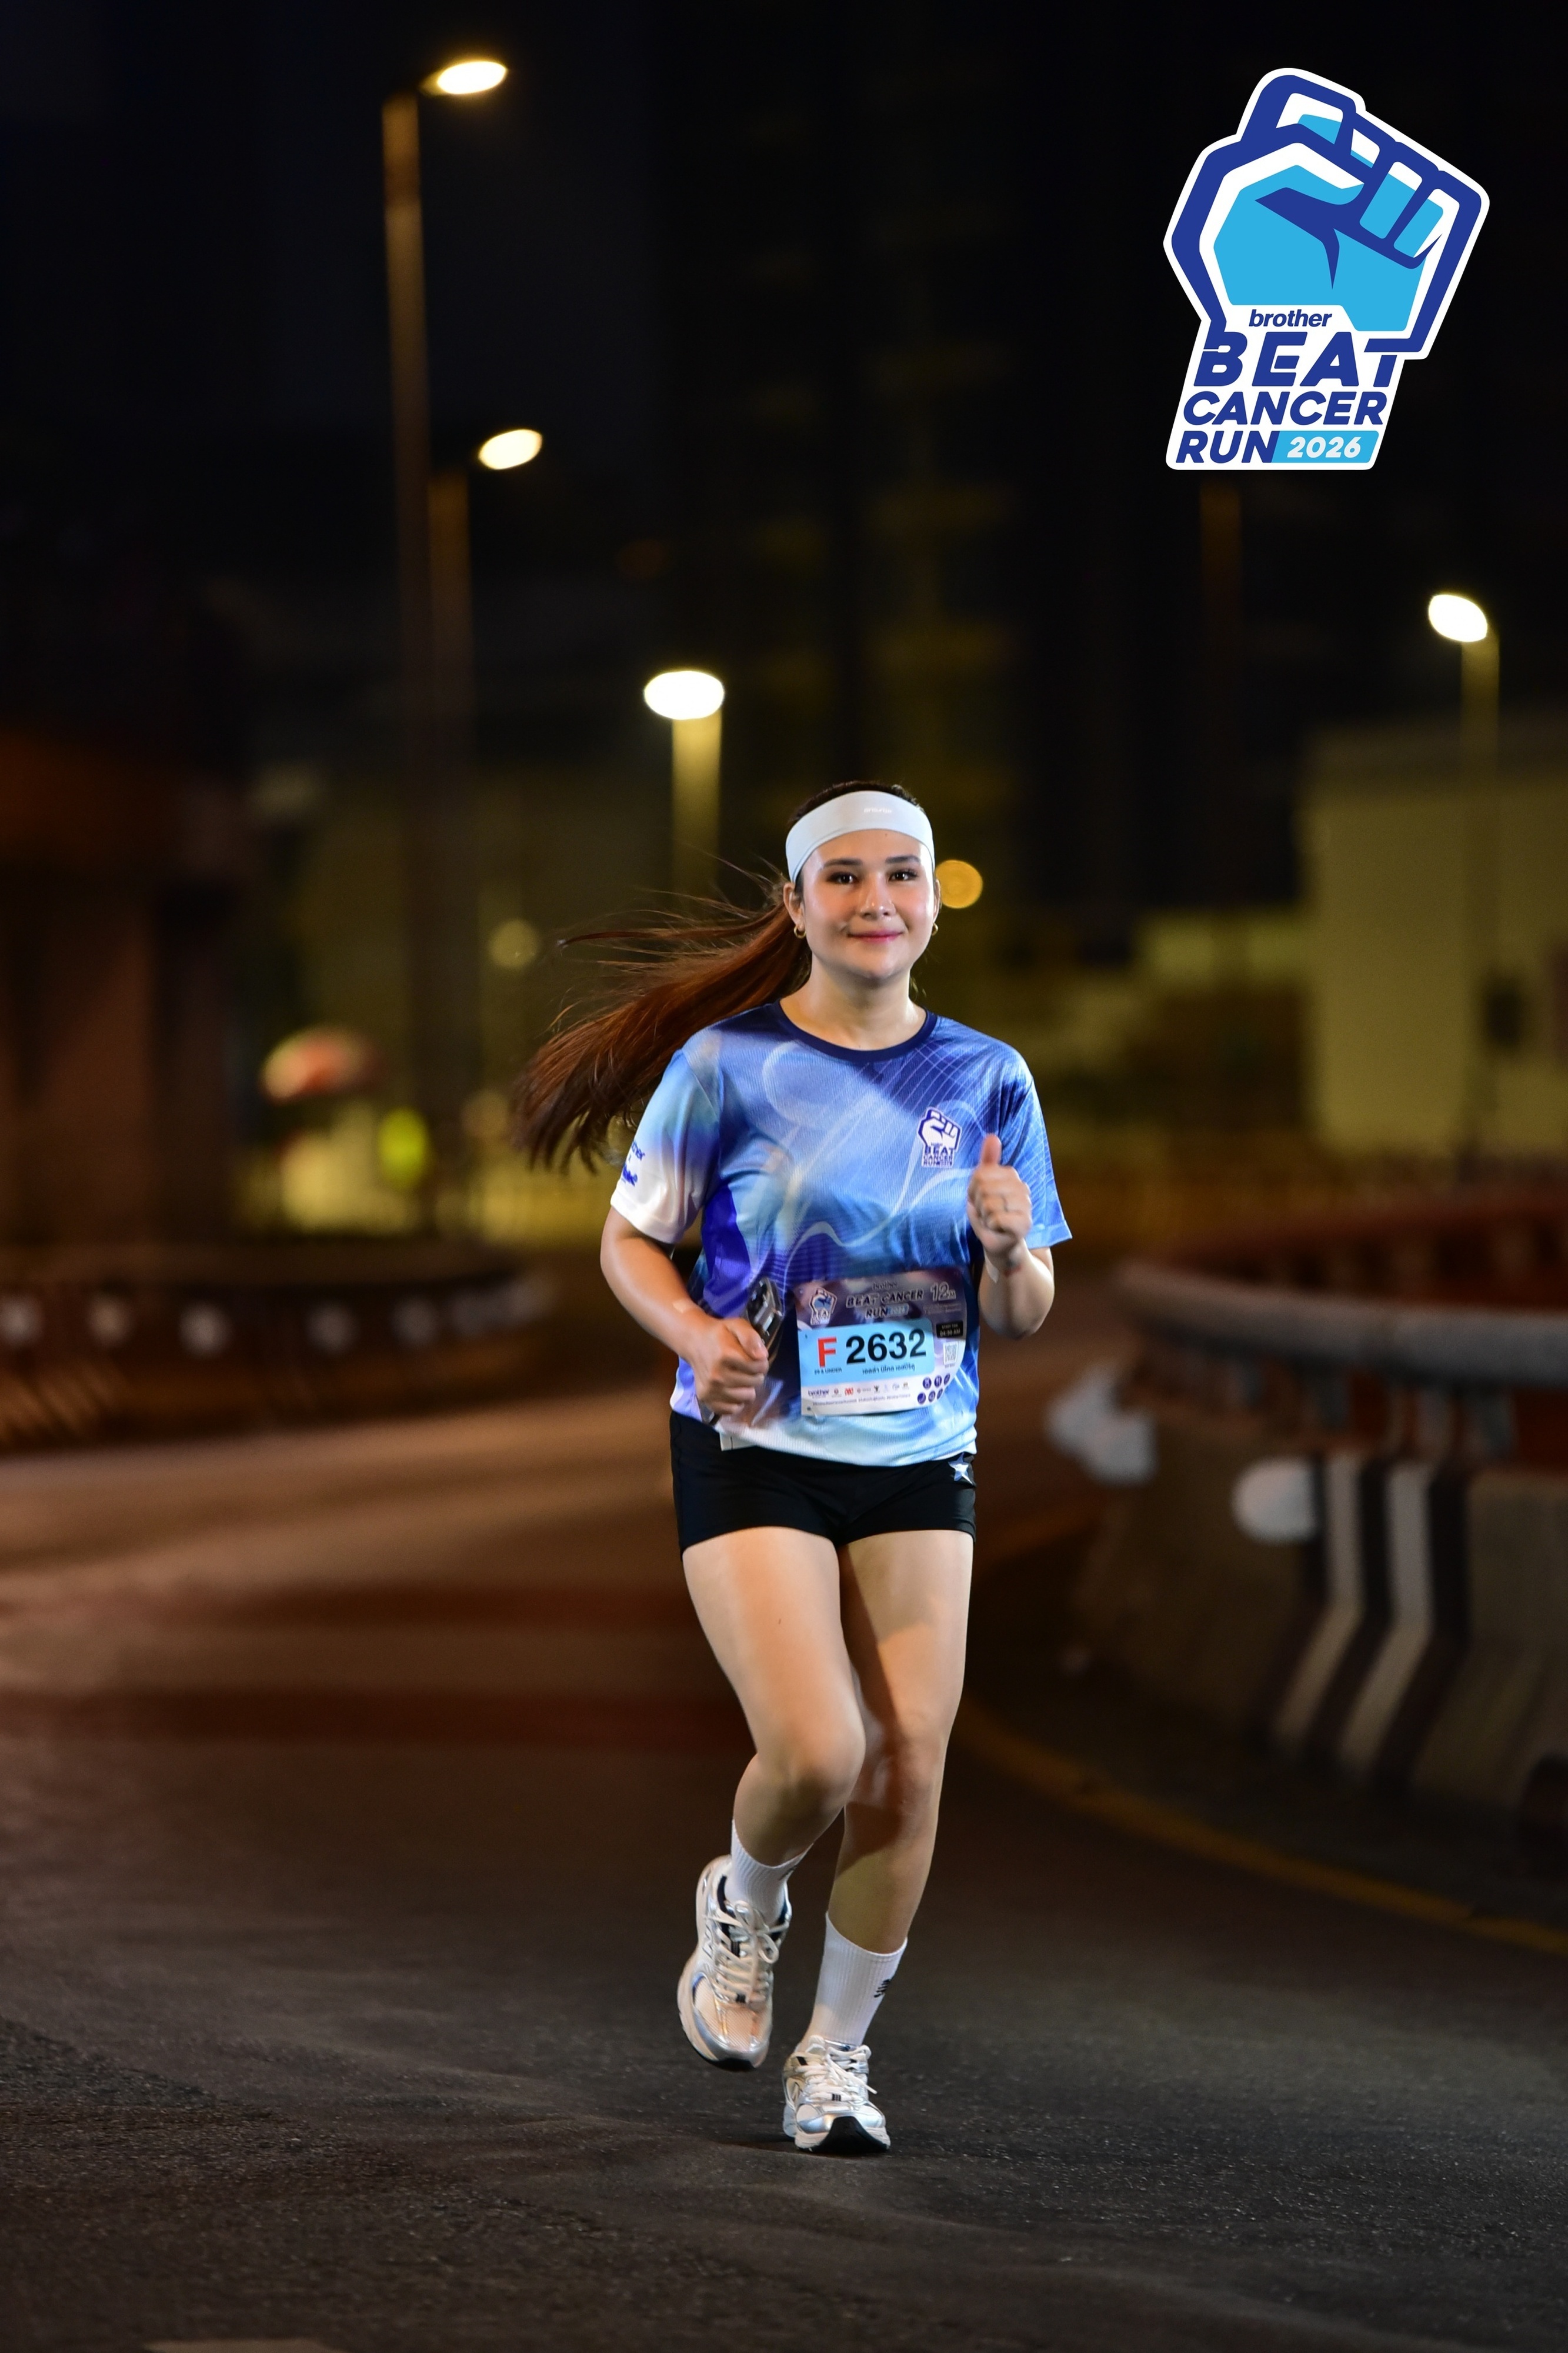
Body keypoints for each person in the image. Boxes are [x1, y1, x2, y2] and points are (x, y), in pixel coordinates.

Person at [513, 781, 1067, 2154]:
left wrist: (1009, 1247)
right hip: (754, 1441)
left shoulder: (989, 1076)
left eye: (903, 875)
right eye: (846, 877)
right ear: (798, 903)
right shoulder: (727, 1064)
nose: (879, 900)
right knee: (821, 1749)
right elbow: (628, 1241)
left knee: (911, 1761)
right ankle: (744, 1904)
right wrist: (698, 1331)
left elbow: (1022, 1310)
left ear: (933, 896)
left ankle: (835, 2056)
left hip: (918, 1449)